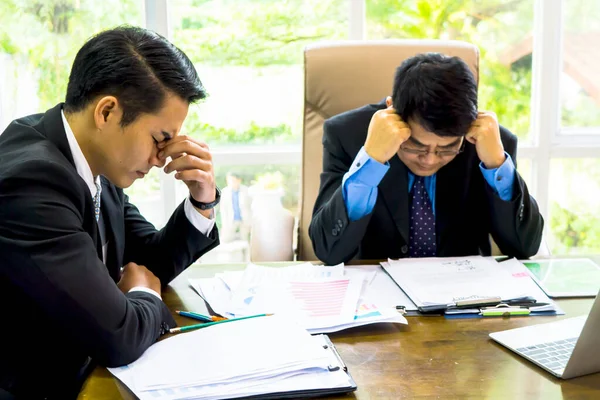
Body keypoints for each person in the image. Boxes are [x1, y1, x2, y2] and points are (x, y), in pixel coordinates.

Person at [0, 27, 220, 399]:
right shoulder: (32, 182)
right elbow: (118, 335)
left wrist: (203, 200)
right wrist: (144, 296)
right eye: (159, 139)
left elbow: (149, 262)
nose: (159, 158)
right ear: (107, 111)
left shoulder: (92, 158)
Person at [309, 53, 543, 265]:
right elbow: (329, 251)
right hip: (377, 295)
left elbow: (524, 247)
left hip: (464, 294)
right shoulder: (347, 135)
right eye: (416, 146)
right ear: (392, 110)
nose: (430, 160)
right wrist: (372, 159)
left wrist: (497, 165)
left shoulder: (489, 142)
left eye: (448, 148)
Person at [220, 172, 252, 243]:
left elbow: (251, 206)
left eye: (233, 180)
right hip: (230, 220)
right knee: (225, 240)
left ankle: (246, 254)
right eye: (229, 180)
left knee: (245, 241)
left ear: (239, 180)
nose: (231, 182)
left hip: (244, 220)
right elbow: (223, 209)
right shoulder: (224, 192)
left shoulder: (246, 191)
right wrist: (224, 224)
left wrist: (251, 223)